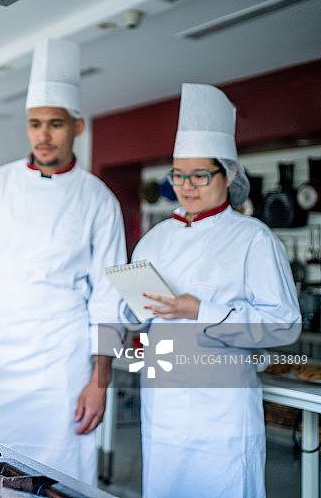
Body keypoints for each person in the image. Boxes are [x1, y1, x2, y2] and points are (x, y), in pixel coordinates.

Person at [0, 38, 126, 484]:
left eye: (55, 124)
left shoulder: (98, 200)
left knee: (59, 476)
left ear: (77, 128)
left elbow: (107, 297)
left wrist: (99, 379)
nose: (43, 135)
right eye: (34, 124)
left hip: (62, 364)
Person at [121, 83, 301, 498]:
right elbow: (134, 314)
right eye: (178, 175)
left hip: (222, 415)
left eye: (200, 174)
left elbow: (284, 326)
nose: (186, 186)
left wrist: (199, 309)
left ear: (229, 174)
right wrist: (132, 305)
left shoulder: (254, 239)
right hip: (163, 406)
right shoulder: (155, 238)